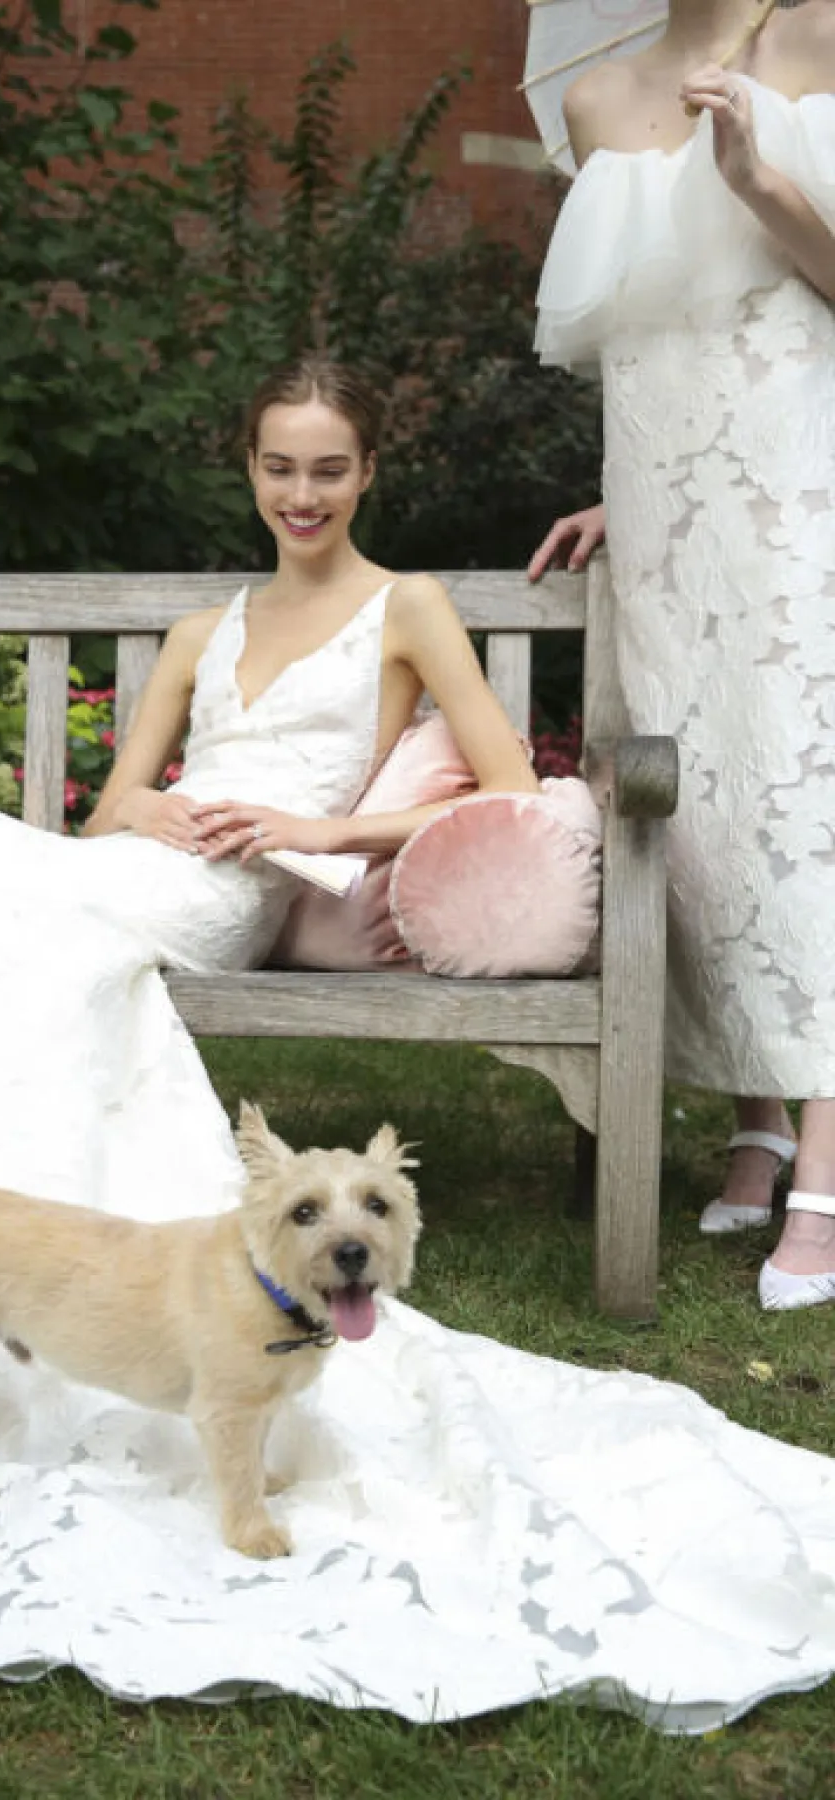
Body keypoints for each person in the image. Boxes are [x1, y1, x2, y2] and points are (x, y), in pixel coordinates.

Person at [0, 353, 834, 1729]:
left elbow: (507, 785)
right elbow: (111, 812)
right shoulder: (206, 629)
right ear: (250, 469)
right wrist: (156, 808)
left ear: (366, 471)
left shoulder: (409, 608)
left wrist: (318, 828)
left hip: (227, 898)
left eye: (328, 469)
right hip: (136, 866)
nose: (301, 493)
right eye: (279, 467)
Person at [527, 1, 835, 1310]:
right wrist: (628, 498)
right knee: (699, 808)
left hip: (799, 484)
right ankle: (757, 1121)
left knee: (800, 798)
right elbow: (645, 331)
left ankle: (827, 1164)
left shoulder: (820, 41)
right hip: (661, 495)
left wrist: (757, 177)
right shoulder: (596, 98)